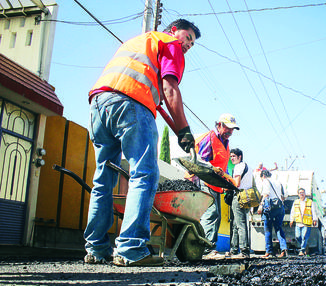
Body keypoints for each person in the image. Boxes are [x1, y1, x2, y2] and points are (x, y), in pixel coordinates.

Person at [84, 19, 201, 267]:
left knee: (103, 177)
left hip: (100, 103)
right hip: (132, 103)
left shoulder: (141, 43)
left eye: (192, 42)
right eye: (188, 36)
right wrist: (185, 131)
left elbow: (160, 101)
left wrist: (178, 130)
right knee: (144, 174)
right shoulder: (171, 44)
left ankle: (96, 248)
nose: (189, 43)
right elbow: (170, 89)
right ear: (173, 31)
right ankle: (130, 248)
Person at [196, 113, 239, 258]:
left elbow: (224, 168)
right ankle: (205, 250)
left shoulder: (225, 144)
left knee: (217, 216)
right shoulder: (211, 138)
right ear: (219, 125)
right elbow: (200, 160)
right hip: (205, 181)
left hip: (215, 185)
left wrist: (228, 184)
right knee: (210, 215)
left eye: (232, 129)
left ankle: (210, 248)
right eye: (228, 128)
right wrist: (212, 168)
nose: (230, 132)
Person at [227, 148, 253, 258]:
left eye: (234, 156)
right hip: (246, 198)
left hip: (238, 197)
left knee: (240, 224)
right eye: (231, 156)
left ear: (239, 157)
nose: (232, 158)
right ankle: (233, 250)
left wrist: (227, 178)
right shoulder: (248, 167)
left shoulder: (238, 167)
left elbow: (236, 183)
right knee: (235, 224)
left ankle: (244, 251)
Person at [257, 169, 288, 258]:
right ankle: (284, 249)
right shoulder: (278, 182)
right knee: (278, 228)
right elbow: (285, 195)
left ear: (263, 176)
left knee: (268, 229)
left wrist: (260, 206)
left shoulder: (266, 181)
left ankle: (269, 251)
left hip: (269, 209)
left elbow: (266, 194)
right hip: (279, 208)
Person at [289, 188, 318, 256]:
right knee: (298, 236)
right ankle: (304, 245)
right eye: (300, 193)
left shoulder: (310, 202)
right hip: (298, 223)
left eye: (303, 192)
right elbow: (292, 211)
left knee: (304, 237)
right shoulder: (296, 202)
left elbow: (313, 211)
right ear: (298, 194)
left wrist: (315, 219)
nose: (302, 194)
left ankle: (302, 250)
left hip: (307, 223)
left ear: (305, 194)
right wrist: (291, 220)